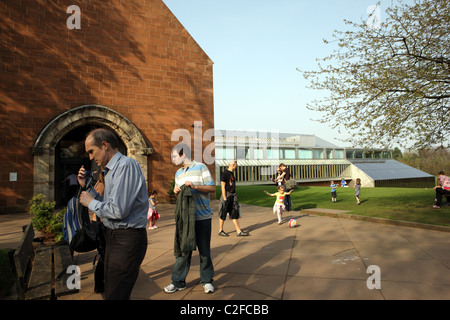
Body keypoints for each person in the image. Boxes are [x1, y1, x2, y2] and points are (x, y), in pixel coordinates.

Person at [78, 128, 148, 300]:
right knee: (111, 290)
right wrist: (84, 187)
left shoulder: (125, 165)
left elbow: (118, 210)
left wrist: (90, 202)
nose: (90, 157)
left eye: (91, 151)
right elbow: (103, 200)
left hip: (126, 239)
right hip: (113, 237)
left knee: (116, 294)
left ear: (104, 145)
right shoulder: (109, 171)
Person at [164, 143, 216, 294]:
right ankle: (178, 282)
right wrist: (175, 191)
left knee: (204, 252)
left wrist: (195, 186)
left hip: (202, 217)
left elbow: (212, 188)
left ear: (182, 155)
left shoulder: (201, 167)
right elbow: (178, 196)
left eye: (174, 156)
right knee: (183, 252)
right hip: (186, 220)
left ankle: (206, 280)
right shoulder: (178, 173)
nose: (172, 159)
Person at [218, 160, 249, 237]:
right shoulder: (224, 174)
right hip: (227, 196)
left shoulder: (231, 173)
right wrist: (225, 198)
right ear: (233, 165)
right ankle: (220, 230)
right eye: (236, 165)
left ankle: (238, 231)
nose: (237, 166)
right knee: (223, 213)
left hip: (233, 196)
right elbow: (222, 186)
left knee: (234, 213)